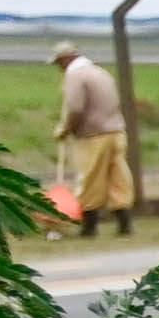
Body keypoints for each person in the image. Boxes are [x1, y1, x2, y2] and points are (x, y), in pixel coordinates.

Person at [54, 47, 132, 236]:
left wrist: (66, 128)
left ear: (65, 60)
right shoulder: (101, 72)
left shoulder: (76, 76)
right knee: (118, 177)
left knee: (90, 178)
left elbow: (75, 108)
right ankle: (124, 223)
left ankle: (90, 226)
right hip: (117, 131)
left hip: (93, 135)